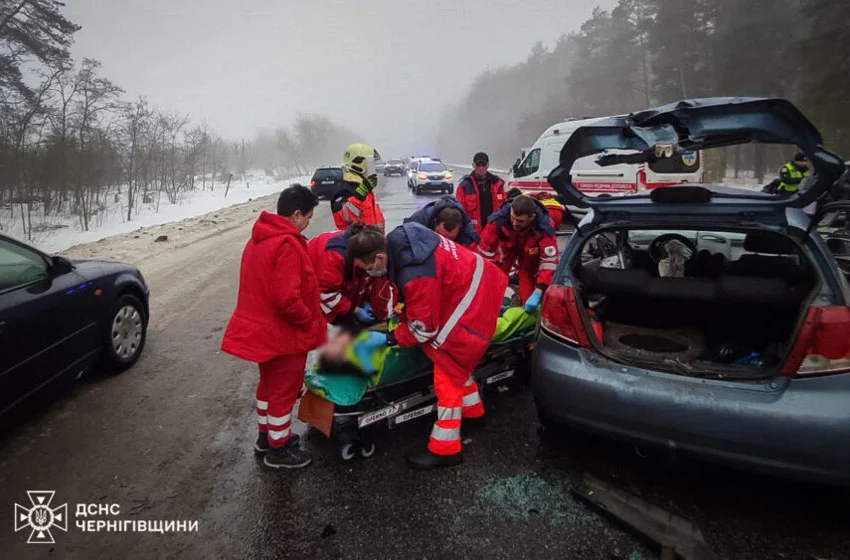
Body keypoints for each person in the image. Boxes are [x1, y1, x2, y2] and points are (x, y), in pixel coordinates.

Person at [347, 223, 508, 470]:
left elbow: (424, 329)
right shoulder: (400, 240)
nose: (370, 274)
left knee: (449, 363)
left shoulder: (416, 275)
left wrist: (390, 338)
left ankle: (446, 449)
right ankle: (475, 415)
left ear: (380, 256)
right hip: (477, 283)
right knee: (460, 368)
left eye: (369, 269)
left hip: (474, 298)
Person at [221, 185, 325, 469]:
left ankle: (267, 437)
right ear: (294, 215)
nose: (309, 222)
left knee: (268, 387)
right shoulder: (287, 245)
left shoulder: (259, 239)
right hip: (283, 334)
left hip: (263, 332)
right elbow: (287, 298)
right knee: (284, 390)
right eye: (308, 216)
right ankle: (278, 450)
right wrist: (308, 320)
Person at [479, 194, 559, 310]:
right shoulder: (498, 221)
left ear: (532, 217)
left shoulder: (544, 227)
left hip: (530, 250)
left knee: (527, 275)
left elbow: (549, 261)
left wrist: (539, 290)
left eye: (520, 221)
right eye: (513, 218)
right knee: (497, 274)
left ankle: (525, 307)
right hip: (508, 247)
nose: (515, 223)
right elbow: (485, 251)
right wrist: (486, 278)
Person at [308, 224, 393, 331]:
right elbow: (326, 294)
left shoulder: (372, 249)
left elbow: (377, 289)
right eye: (369, 268)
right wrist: (354, 309)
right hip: (314, 289)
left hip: (335, 284)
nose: (371, 271)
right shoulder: (335, 258)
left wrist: (380, 315)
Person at [331, 142, 386, 231]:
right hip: (356, 243)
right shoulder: (345, 188)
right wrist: (360, 194)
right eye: (371, 163)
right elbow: (345, 217)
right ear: (359, 163)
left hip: (374, 242)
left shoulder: (364, 187)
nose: (374, 167)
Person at [456, 151, 507, 234]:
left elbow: (504, 207)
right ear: (473, 166)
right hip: (473, 233)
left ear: (488, 165)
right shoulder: (464, 186)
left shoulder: (497, 184)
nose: (481, 168)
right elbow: (459, 212)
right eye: (478, 165)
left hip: (494, 231)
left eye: (483, 165)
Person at [403, 195, 480, 248]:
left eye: (450, 238)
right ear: (435, 223)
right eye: (442, 236)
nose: (445, 242)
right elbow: (403, 239)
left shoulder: (468, 232)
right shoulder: (419, 220)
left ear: (460, 227)